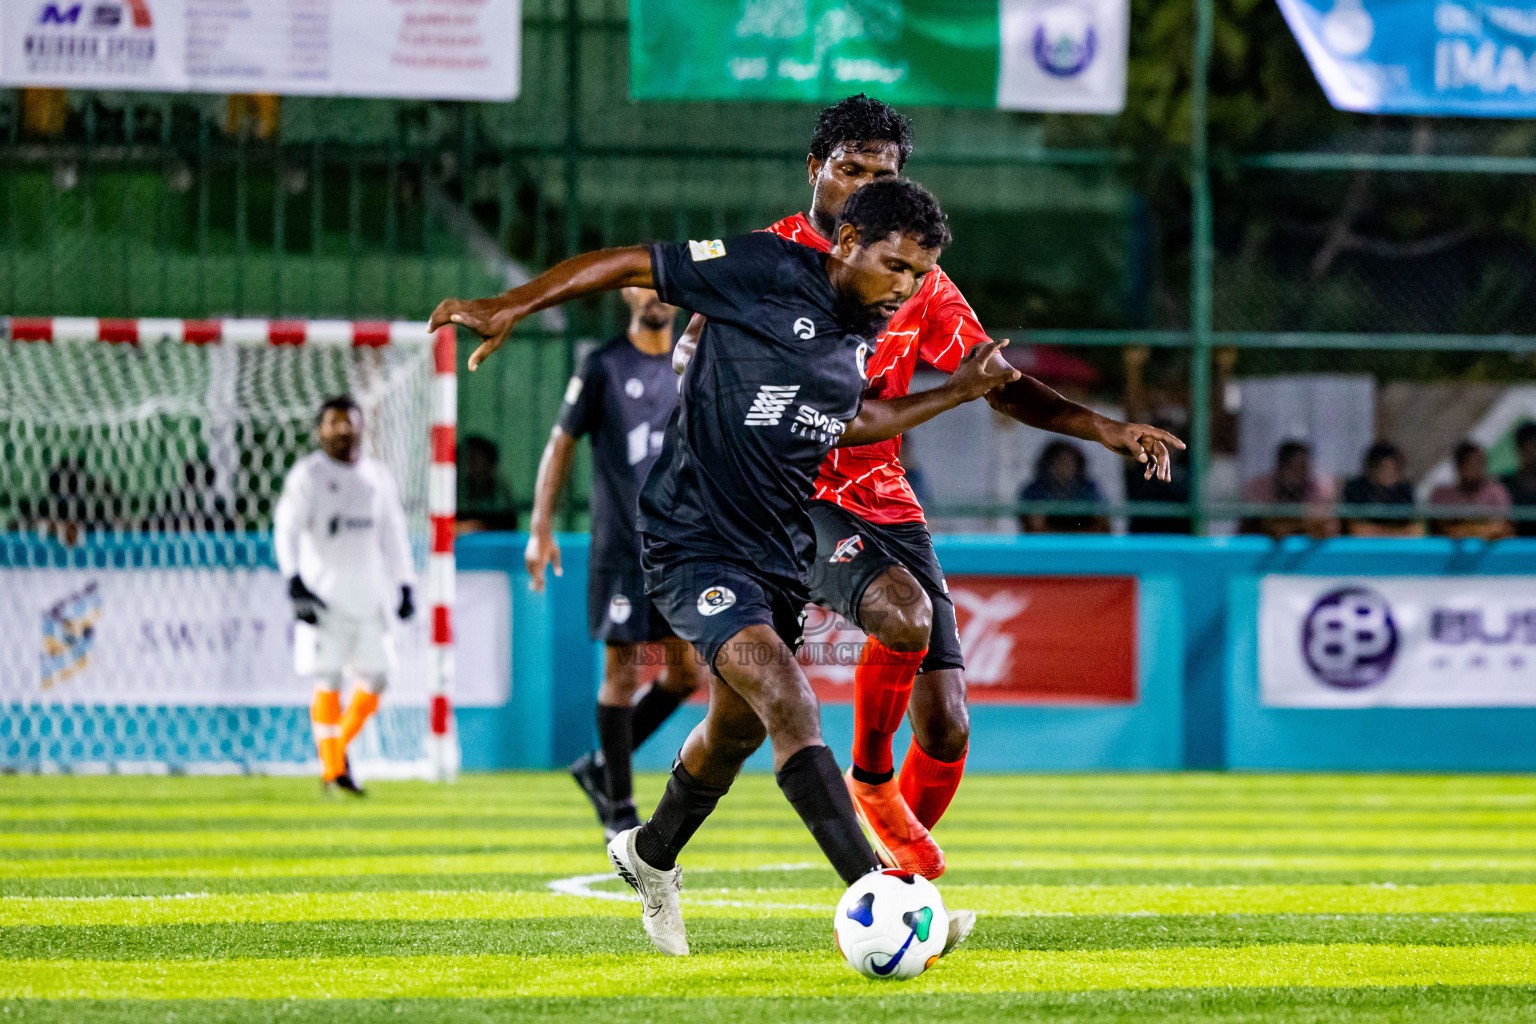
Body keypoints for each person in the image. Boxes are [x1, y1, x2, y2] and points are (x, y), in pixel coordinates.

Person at [431, 177, 1021, 957]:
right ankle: (884, 895)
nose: (904, 287)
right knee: (789, 699)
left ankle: (649, 854)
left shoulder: (855, 338)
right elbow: (631, 263)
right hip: (689, 541)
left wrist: (958, 393)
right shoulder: (764, 269)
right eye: (893, 265)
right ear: (846, 243)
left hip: (774, 554)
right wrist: (514, 302)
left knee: (733, 731)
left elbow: (855, 421)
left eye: (918, 274)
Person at [672, 95, 1183, 880]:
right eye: (850, 171)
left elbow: (996, 382)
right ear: (817, 171)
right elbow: (697, 349)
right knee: (883, 627)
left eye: (884, 173)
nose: (865, 186)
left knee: (946, 726)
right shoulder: (769, 261)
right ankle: (870, 830)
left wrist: (1108, 429)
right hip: (782, 492)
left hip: (883, 495)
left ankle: (880, 821)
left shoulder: (921, 280)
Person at [524, 287, 704, 839]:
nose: (654, 297)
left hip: (682, 548)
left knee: (685, 674)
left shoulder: (696, 364)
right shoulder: (602, 364)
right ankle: (621, 806)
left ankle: (603, 771)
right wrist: (540, 526)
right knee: (622, 673)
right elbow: (561, 442)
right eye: (642, 286)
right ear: (627, 293)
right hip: (622, 547)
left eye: (662, 288)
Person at [274, 396, 416, 796]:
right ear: (320, 430)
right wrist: (293, 581)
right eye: (334, 423)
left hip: (370, 601)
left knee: (380, 677)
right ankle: (335, 768)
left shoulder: (378, 477)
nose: (342, 430)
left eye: (349, 423)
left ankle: (335, 754)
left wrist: (405, 583)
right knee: (328, 679)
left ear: (360, 427)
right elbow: (285, 529)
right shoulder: (308, 476)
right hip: (325, 601)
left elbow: (393, 534)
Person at [1241, 440, 1337, 539]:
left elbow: (1326, 525)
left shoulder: (1319, 487)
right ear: (1282, 467)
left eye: (1305, 466)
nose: (1304, 472)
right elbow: (1258, 522)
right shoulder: (1260, 487)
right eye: (1297, 467)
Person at [1017, 440, 1109, 533]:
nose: (1065, 468)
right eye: (1059, 462)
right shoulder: (1035, 490)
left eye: (1070, 463)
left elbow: (1102, 518)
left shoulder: (1089, 488)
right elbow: (1031, 524)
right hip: (1047, 543)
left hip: (1083, 542)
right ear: (1050, 465)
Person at [1429, 440, 1513, 541]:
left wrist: (1477, 531)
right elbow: (1438, 529)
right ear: (1459, 466)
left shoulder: (1497, 492)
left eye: (1480, 463)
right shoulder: (1441, 494)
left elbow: (1504, 526)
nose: (1478, 469)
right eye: (1471, 464)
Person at [1342, 442, 1421, 538]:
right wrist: (1393, 532)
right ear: (1372, 470)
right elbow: (1357, 529)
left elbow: (1415, 530)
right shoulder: (1355, 488)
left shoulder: (1404, 489)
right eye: (1384, 468)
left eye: (1394, 469)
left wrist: (1385, 532)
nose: (1389, 473)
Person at [455, 436, 519, 533]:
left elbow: (509, 526)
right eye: (466, 459)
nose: (469, 465)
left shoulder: (499, 489)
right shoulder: (454, 488)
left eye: (475, 458)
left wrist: (478, 527)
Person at [1502, 422, 1536, 538]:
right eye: (1528, 448)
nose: (1532, 453)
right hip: (1513, 546)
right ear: (1519, 449)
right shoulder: (1504, 483)